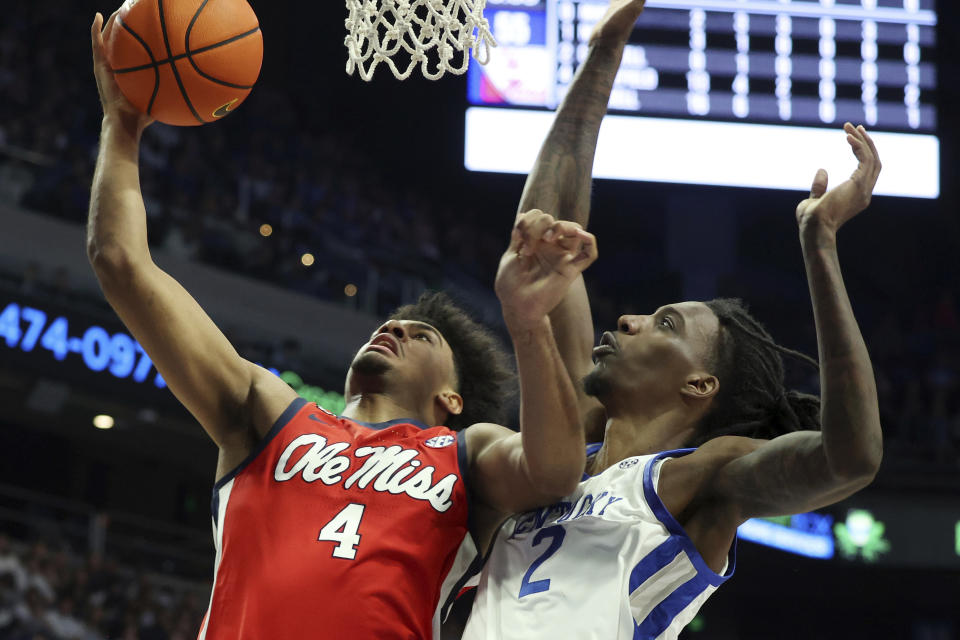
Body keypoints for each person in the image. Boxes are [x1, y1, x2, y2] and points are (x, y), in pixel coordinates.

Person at [88, 12, 598, 640]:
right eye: (393, 322)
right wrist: (122, 127)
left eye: (421, 335)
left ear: (453, 399)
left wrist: (526, 321)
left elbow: (555, 472)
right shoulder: (268, 412)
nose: (395, 329)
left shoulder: (467, 451)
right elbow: (120, 263)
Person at [463, 2, 884, 638]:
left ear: (699, 386)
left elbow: (849, 459)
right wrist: (604, 52)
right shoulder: (561, 453)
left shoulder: (701, 478)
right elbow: (542, 246)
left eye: (665, 324)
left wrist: (820, 243)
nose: (627, 319)